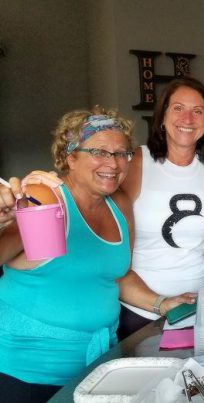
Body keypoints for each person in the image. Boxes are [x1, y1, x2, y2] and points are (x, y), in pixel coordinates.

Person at [0, 107, 135, 402]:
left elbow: (112, 276)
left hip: (98, 367)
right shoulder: (45, 197)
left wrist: (162, 303)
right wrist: (5, 219)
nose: (113, 163)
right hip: (30, 376)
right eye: (99, 151)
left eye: (122, 153)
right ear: (70, 156)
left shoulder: (119, 205)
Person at [117, 76, 204, 340]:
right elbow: (113, 249)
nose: (188, 118)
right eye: (178, 108)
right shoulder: (135, 163)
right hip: (144, 313)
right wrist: (159, 302)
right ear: (162, 117)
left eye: (198, 111)